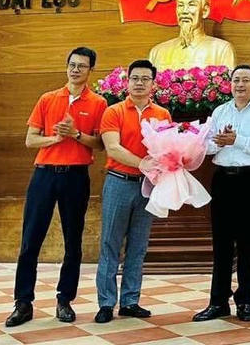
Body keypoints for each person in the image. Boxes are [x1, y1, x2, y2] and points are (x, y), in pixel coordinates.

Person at [6, 46, 107, 328]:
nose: (75, 70)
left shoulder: (98, 103)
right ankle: (23, 302)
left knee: (73, 241)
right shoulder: (48, 98)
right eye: (72, 64)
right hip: (44, 175)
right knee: (30, 240)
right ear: (67, 66)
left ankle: (65, 300)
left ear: (90, 70)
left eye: (82, 66)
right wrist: (56, 139)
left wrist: (75, 134)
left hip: (76, 177)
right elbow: (30, 140)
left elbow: (100, 144)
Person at [192, 64, 250, 323]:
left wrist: (236, 140)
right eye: (236, 80)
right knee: (221, 242)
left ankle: (245, 302)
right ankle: (218, 302)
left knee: (247, 242)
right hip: (222, 179)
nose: (240, 85)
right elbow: (206, 146)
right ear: (229, 85)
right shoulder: (220, 111)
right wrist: (216, 143)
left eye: (245, 80)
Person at [94, 59, 172, 324]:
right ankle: (106, 303)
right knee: (110, 244)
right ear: (127, 82)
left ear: (153, 84)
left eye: (145, 79)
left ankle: (130, 301)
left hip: (148, 186)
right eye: (135, 78)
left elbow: (167, 148)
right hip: (119, 182)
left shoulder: (162, 114)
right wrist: (142, 163)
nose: (139, 83)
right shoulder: (113, 111)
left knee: (138, 246)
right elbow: (112, 148)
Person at [148, 0, 236, 70]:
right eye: (180, 5)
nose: (184, 11)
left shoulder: (221, 50)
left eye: (192, 5)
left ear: (205, 11)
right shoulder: (157, 52)